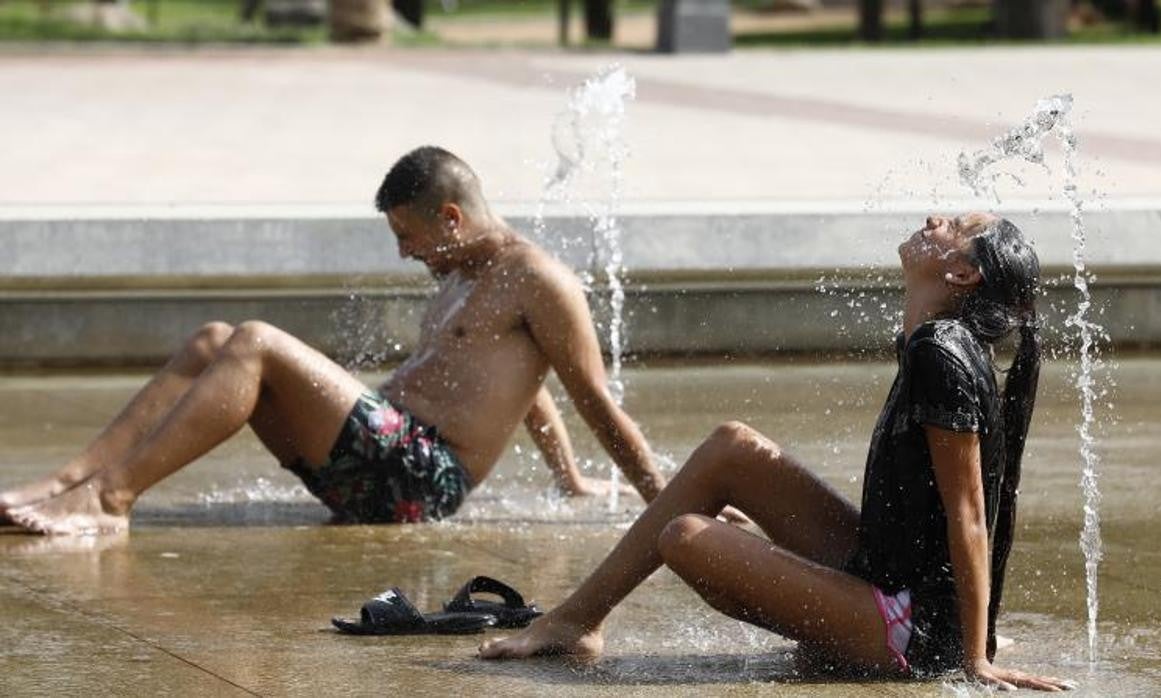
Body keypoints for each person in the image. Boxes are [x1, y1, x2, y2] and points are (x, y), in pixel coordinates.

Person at [480, 213, 1073, 691]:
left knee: (686, 537)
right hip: (888, 574)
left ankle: (860, 636)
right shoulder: (930, 342)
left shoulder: (941, 353)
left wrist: (975, 657)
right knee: (732, 447)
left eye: (955, 227)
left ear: (963, 275)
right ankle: (577, 619)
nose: (933, 218)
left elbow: (970, 513)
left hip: (914, 629)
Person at [1, 146, 667, 535]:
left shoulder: (539, 280)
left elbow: (594, 400)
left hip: (418, 480)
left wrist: (666, 509)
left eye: (408, 235)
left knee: (255, 341)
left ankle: (109, 500)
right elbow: (525, 392)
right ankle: (69, 482)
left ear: (453, 217)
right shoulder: (463, 272)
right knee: (213, 341)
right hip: (379, 458)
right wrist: (570, 479)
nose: (404, 252)